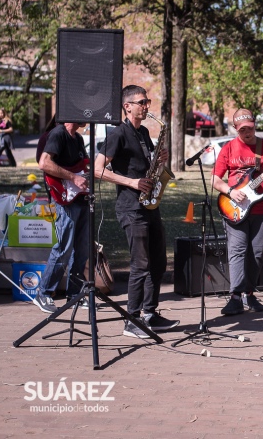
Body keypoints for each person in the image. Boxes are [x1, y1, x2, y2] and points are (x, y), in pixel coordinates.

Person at [94, 85, 179, 338]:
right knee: (140, 264)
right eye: (142, 102)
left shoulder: (143, 132)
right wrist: (131, 182)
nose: (146, 106)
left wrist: (160, 159)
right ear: (127, 106)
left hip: (150, 205)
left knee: (158, 262)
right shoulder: (117, 134)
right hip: (131, 207)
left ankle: (149, 314)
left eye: (147, 101)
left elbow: (148, 166)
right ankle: (131, 320)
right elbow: (97, 169)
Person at [211, 108, 263, 315]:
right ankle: (235, 297)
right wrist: (231, 192)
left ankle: (249, 294)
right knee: (237, 251)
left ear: (255, 125)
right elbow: (216, 180)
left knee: (256, 254)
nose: (247, 133)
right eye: (242, 130)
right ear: (235, 129)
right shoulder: (229, 148)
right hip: (234, 208)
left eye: (249, 128)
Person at [33, 122, 90, 314]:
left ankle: (74, 294)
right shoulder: (58, 134)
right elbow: (44, 163)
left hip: (80, 197)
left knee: (82, 249)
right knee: (63, 247)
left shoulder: (79, 138)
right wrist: (73, 178)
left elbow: (83, 166)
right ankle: (43, 292)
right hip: (65, 198)